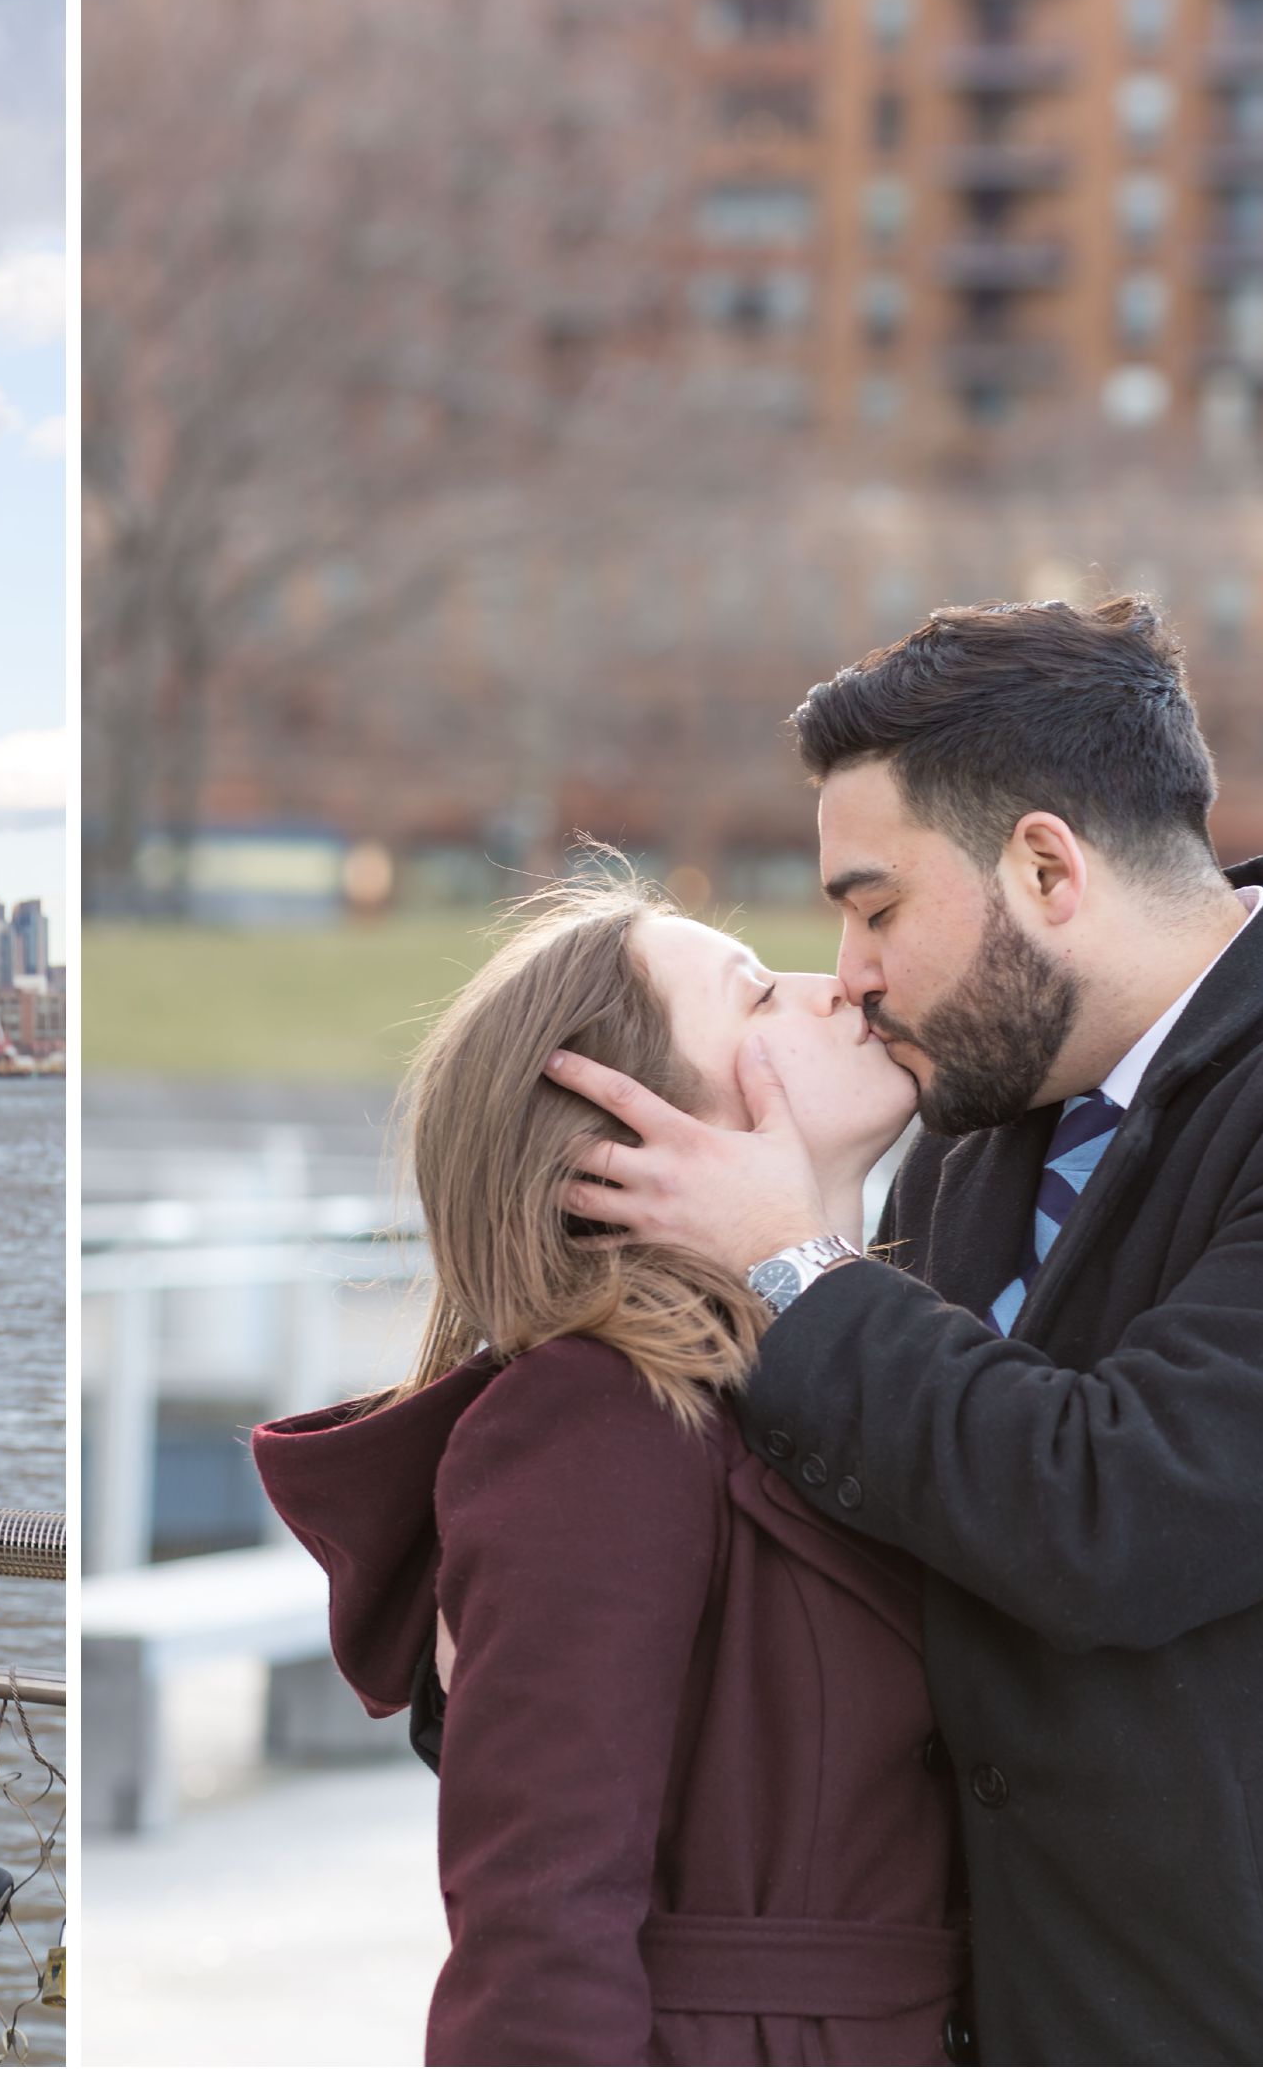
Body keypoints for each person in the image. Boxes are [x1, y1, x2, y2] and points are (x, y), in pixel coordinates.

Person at [553, 597, 1263, 2064]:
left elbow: (1113, 1512)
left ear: (1047, 866)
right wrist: (506, 1614)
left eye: (875, 908)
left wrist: (790, 1261)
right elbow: (880, 1539)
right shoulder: (975, 1142)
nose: (852, 972)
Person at [250, 867, 967, 2065]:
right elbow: (536, 1921)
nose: (832, 984)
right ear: (633, 1136)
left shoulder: (881, 1369)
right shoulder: (597, 1419)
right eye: (754, 998)